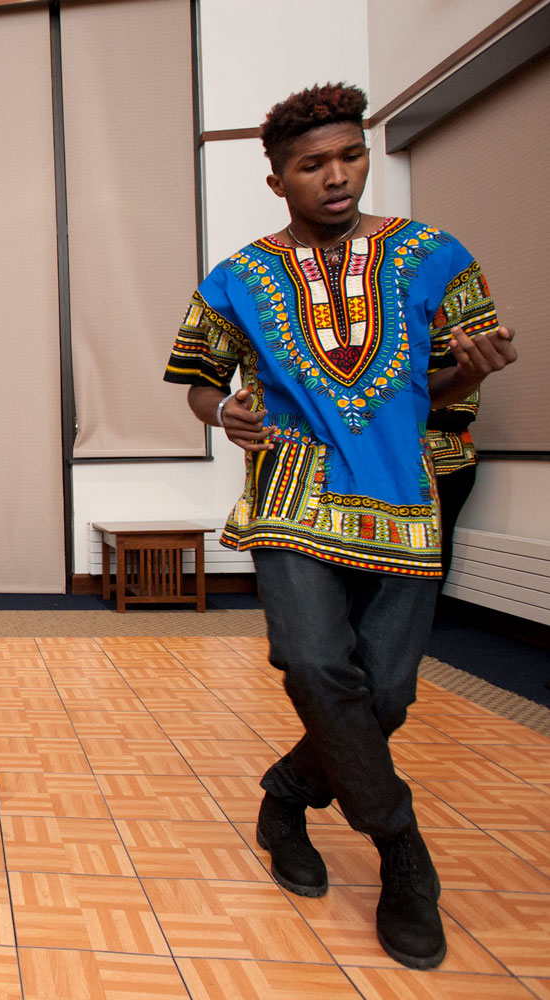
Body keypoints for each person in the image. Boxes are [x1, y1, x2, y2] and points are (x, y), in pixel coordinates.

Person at [163, 84, 517, 969]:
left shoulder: (436, 255)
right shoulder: (239, 277)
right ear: (277, 179)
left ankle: (287, 793)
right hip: (294, 489)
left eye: (350, 156)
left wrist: (473, 371)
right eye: (313, 165)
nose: (337, 177)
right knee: (316, 662)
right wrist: (224, 414)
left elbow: (425, 393)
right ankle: (402, 849)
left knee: (386, 697)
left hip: (403, 496)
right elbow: (200, 379)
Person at [427, 390, 479, 591]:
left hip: (452, 467)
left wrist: (410, 412)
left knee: (440, 535)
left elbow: (460, 418)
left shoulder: (462, 373)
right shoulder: (407, 375)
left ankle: (432, 606)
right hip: (415, 469)